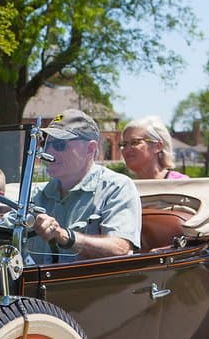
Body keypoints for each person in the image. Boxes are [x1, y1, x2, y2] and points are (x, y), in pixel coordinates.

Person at [29, 109, 142, 261]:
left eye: (59, 144)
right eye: (45, 143)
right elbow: (1, 232)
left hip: (90, 284)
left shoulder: (116, 187)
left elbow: (120, 247)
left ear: (90, 149)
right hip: (35, 283)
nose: (48, 151)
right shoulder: (36, 194)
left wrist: (65, 236)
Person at [121, 115, 190, 180]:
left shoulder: (181, 183)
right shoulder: (124, 188)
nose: (126, 149)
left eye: (135, 142)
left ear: (158, 146)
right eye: (124, 144)